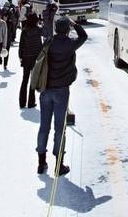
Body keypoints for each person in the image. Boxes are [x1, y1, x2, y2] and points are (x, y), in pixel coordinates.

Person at [36, 16, 87, 175]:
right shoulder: (70, 45)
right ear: (67, 29)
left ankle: (41, 162)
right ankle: (59, 165)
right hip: (62, 91)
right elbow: (84, 36)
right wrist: (75, 24)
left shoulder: (49, 43)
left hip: (46, 89)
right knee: (59, 128)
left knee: (44, 126)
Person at [18, 12, 42, 109]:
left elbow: (21, 46)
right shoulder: (38, 30)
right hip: (36, 58)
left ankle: (22, 102)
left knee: (25, 79)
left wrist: (21, 57)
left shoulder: (24, 31)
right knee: (33, 79)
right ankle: (31, 102)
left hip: (26, 58)